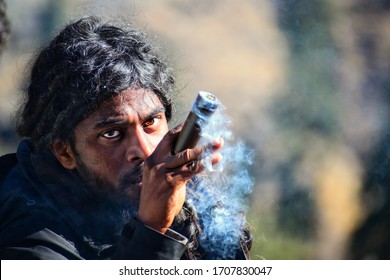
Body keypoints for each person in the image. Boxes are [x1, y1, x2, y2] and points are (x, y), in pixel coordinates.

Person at [0, 16, 251, 259]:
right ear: (65, 153)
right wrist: (153, 229)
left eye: (150, 123)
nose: (143, 151)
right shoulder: (30, 237)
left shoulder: (184, 198)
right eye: (112, 134)